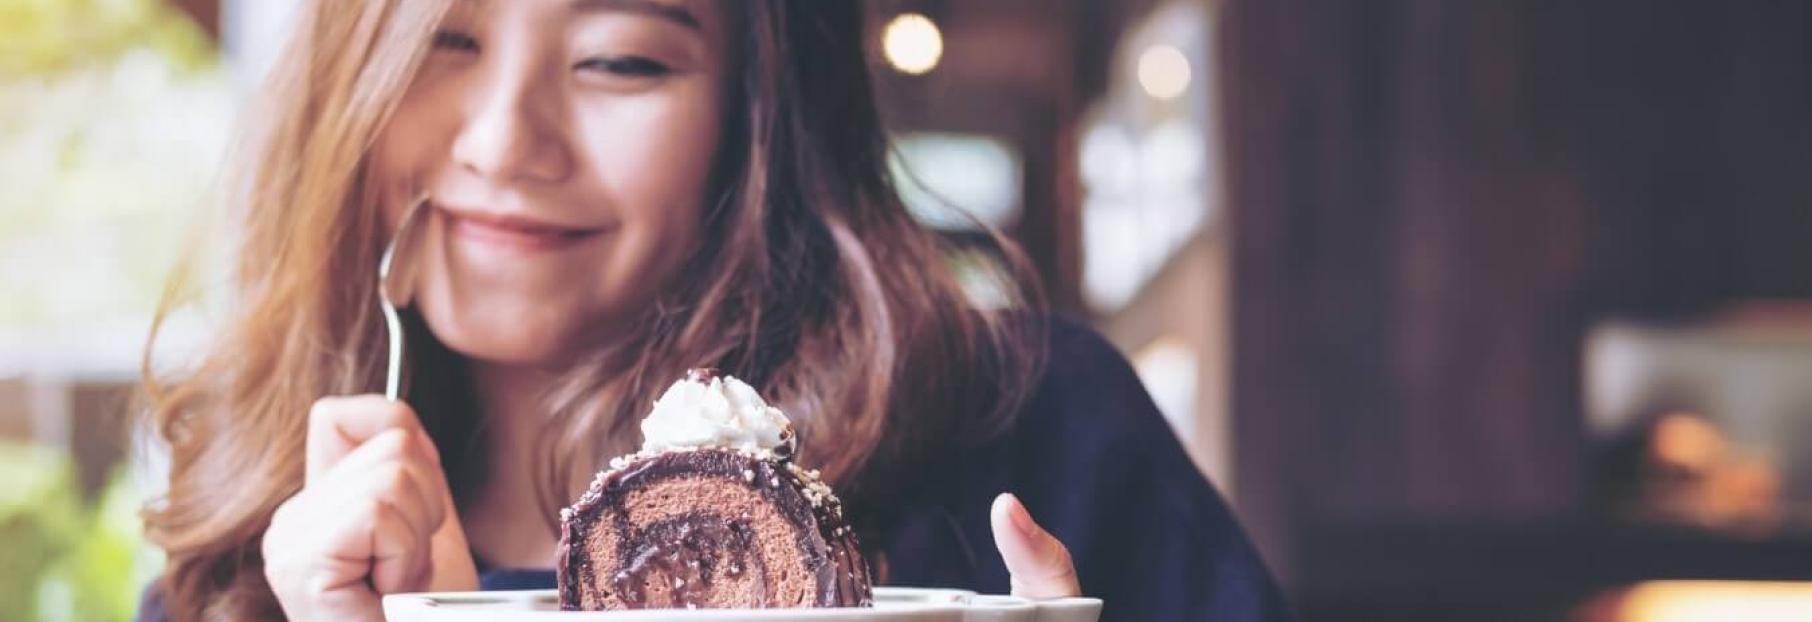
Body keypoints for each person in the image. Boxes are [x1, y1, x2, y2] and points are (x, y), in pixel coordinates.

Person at [136, 1, 1288, 620]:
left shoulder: (1029, 434)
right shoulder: (244, 570)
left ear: (758, 110)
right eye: (446, 40)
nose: (502, 143)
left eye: (623, 60)